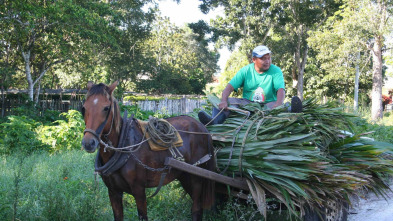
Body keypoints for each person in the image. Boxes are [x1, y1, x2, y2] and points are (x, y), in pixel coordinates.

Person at [198, 45, 302, 126]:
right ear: (254, 60)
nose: (267, 61)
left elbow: (280, 89)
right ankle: (214, 121)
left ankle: (293, 112)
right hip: (247, 104)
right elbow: (229, 87)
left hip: (268, 104)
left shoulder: (275, 71)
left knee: (284, 106)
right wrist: (224, 101)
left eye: (268, 58)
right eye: (263, 59)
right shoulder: (246, 70)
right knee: (223, 103)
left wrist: (278, 103)